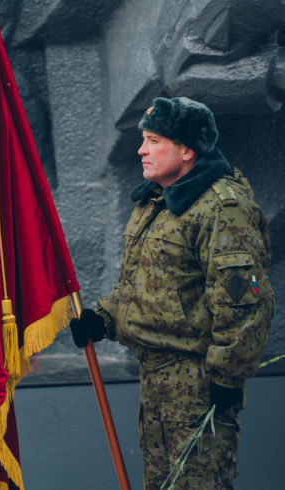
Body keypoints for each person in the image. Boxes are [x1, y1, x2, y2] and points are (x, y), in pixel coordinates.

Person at [70, 97, 274, 488]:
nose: (141, 150)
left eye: (153, 140)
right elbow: (145, 283)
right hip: (156, 376)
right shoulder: (155, 201)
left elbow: (243, 305)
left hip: (197, 382)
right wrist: (105, 318)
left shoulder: (222, 207)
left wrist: (226, 377)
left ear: (187, 150)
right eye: (143, 139)